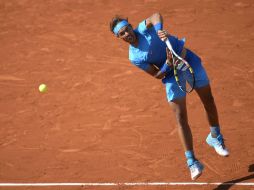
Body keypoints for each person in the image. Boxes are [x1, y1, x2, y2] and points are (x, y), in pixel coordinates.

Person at [109, 13, 229, 180]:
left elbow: (155, 16)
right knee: (180, 118)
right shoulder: (134, 57)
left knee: (208, 101)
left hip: (188, 59)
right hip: (172, 75)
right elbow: (157, 74)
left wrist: (159, 30)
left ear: (131, 26)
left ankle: (215, 137)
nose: (127, 33)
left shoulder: (143, 28)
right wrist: (168, 64)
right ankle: (192, 162)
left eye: (127, 28)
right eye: (122, 33)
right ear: (118, 37)